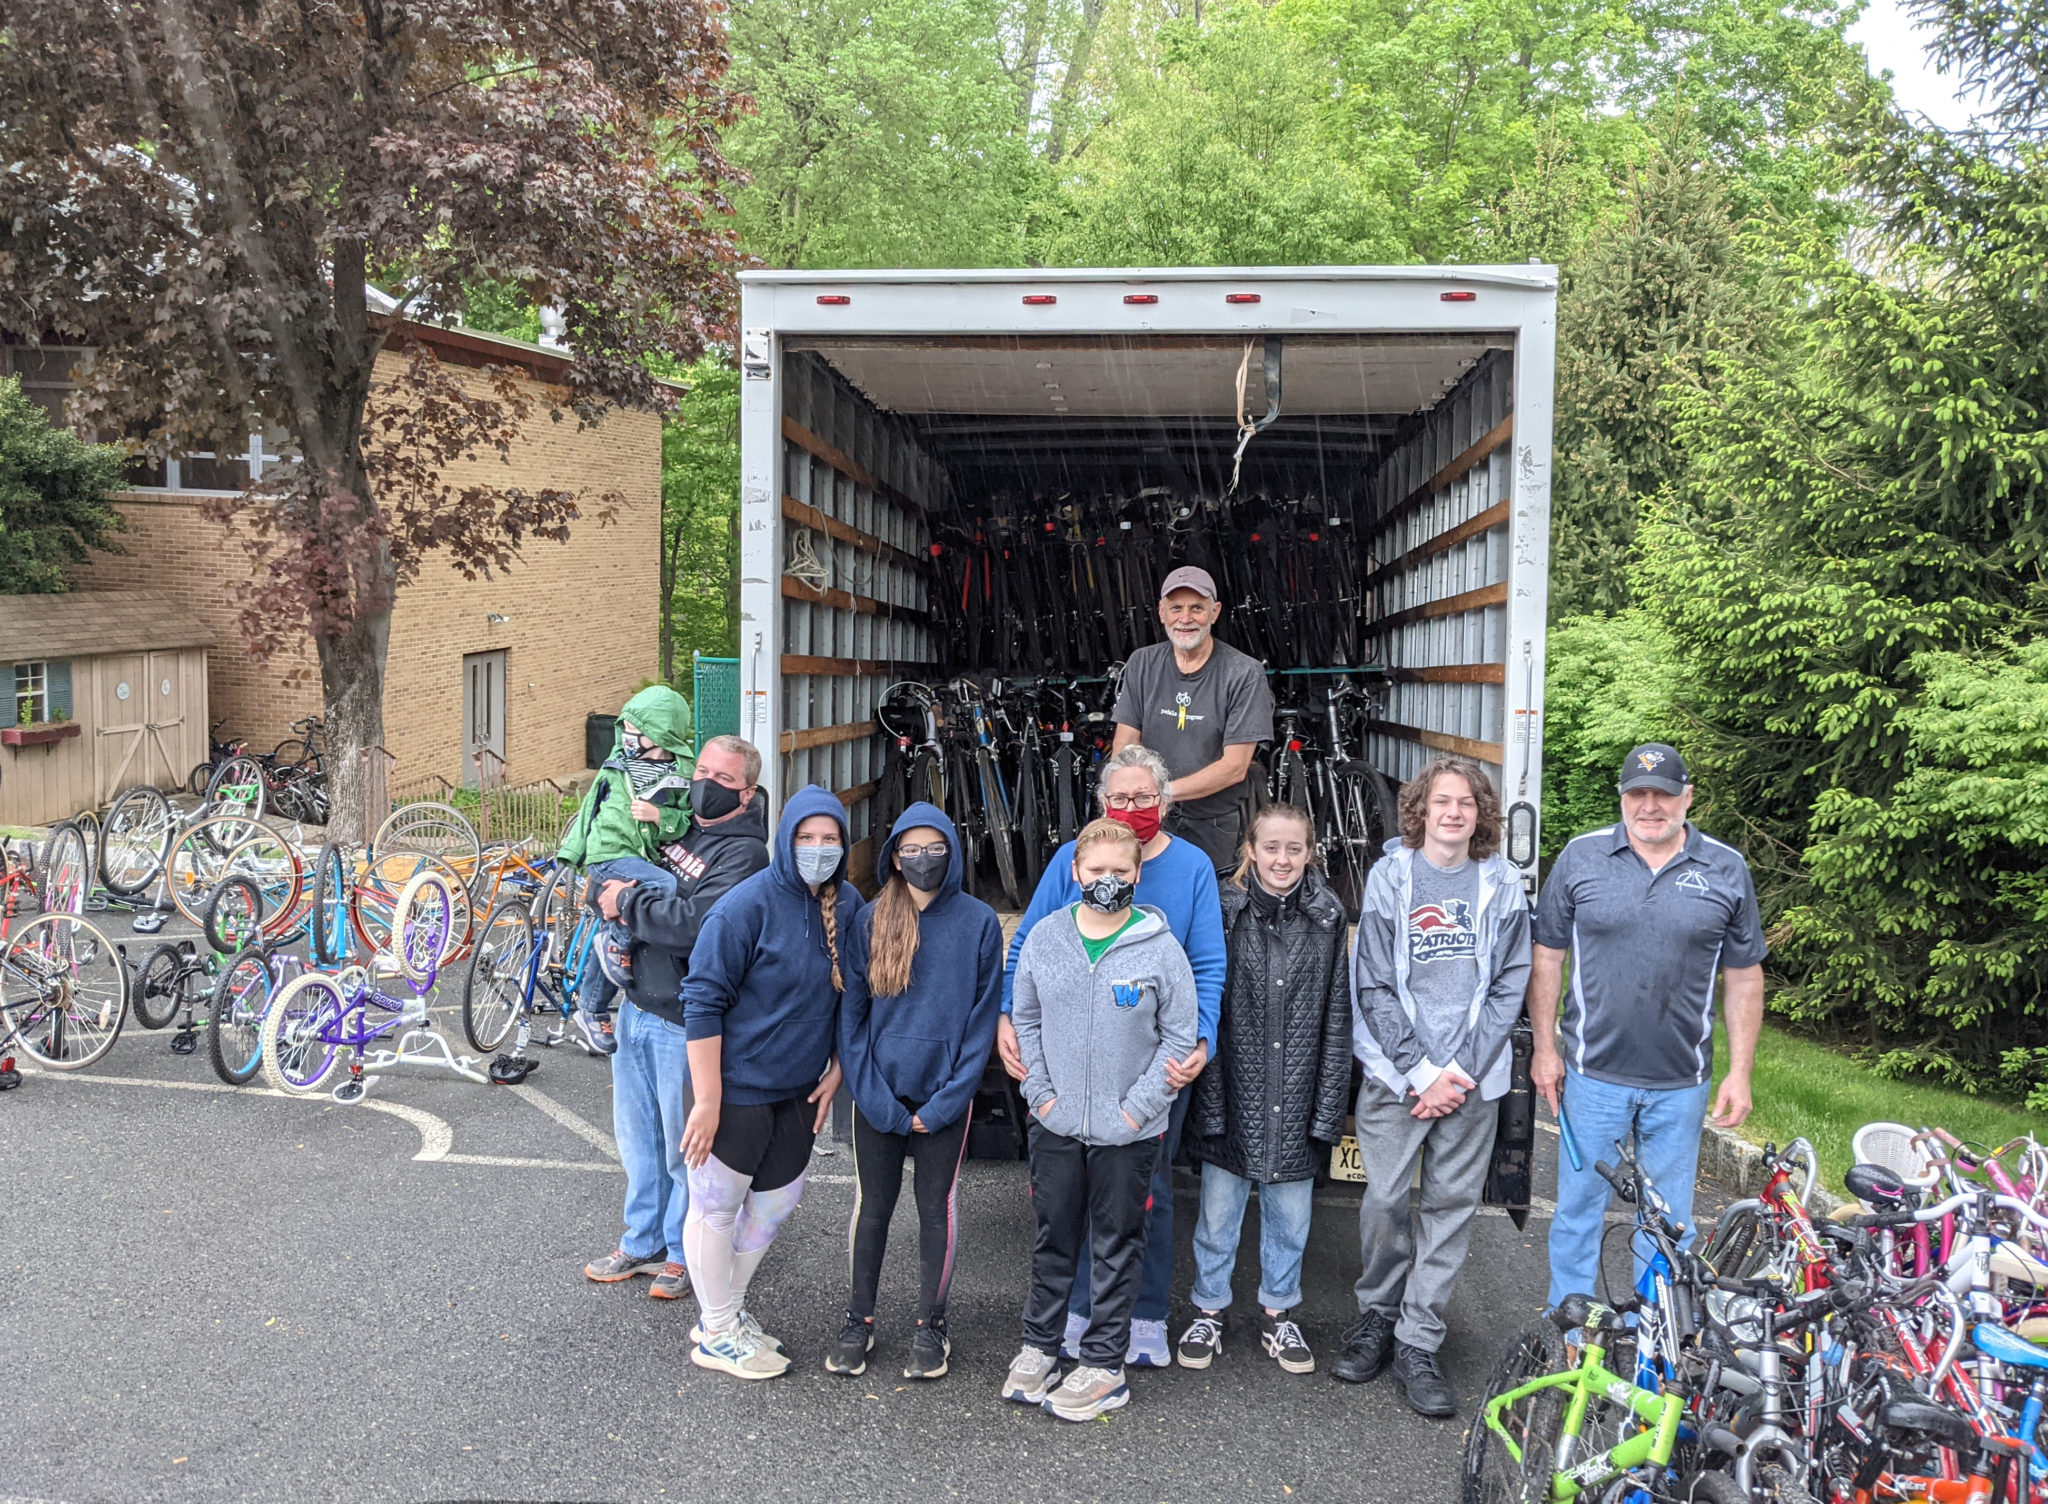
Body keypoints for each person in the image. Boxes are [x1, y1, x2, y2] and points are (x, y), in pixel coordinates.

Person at [997, 744, 1225, 1368]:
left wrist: (1199, 1041)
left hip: (1151, 1066)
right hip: (1072, 1064)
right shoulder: (1071, 863)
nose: (1131, 808)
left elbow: (1206, 964)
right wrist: (1006, 1018)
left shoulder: (1193, 868)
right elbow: (1027, 947)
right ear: (1101, 804)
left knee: (1145, 1191)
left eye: (1144, 798)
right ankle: (1077, 1313)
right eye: (1119, 798)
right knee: (1071, 1199)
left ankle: (1145, 1314)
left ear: (1164, 803)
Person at [1530, 744, 1765, 1309]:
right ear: (1622, 796)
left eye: (1663, 794)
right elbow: (1547, 958)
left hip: (1681, 1083)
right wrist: (1545, 1048)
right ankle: (1573, 1328)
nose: (1650, 806)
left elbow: (1744, 978)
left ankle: (1652, 1343)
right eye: (1638, 793)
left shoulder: (1726, 867)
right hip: (1592, 1077)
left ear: (1688, 798)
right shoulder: (1582, 857)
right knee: (1578, 1211)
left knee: (1665, 1222)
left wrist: (1740, 1073)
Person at [1335, 756, 1532, 1419]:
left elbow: (1510, 984)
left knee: (1448, 1206)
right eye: (1442, 801)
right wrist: (1422, 1071)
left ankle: (1418, 1341)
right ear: (1420, 809)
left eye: (1467, 803)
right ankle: (1377, 1319)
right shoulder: (1391, 876)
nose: (1454, 812)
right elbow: (1373, 983)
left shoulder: (1502, 883)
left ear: (1481, 816)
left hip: (1472, 1078)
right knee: (1385, 1199)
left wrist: (1461, 1073)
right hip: (1400, 1073)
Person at [677, 784, 861, 1379]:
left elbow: (849, 994)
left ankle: (723, 1312)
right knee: (716, 1209)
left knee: (776, 1203)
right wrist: (707, 1100)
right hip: (733, 1090)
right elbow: (701, 1001)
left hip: (799, 1089)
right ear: (785, 840)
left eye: (828, 839)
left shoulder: (849, 904)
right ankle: (717, 1330)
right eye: (805, 838)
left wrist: (838, 1066)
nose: (817, 848)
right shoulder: (744, 907)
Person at [580, 735, 770, 1301]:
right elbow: (607, 874)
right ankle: (640, 1241)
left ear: (747, 791)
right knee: (636, 1140)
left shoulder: (745, 854)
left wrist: (626, 904)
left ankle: (683, 1252)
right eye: (703, 771)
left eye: (724, 779)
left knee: (679, 1147)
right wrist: (609, 895)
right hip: (636, 1004)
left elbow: (696, 923)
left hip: (683, 1020)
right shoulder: (676, 825)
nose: (707, 783)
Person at [828, 802, 1004, 1382]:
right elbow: (851, 1021)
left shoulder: (979, 923)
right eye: (912, 850)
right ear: (894, 857)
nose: (923, 860)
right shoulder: (872, 919)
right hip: (877, 1093)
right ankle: (859, 1319)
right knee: (872, 1208)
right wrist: (873, 1097)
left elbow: (981, 1025)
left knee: (937, 1209)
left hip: (944, 1100)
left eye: (935, 850)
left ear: (951, 854)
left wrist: (947, 1102)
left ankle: (933, 1325)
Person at [1178, 802, 1353, 1376]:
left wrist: (1327, 1112)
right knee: (1217, 1215)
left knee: (1291, 1217)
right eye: (1270, 848)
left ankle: (1279, 1313)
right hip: (1230, 1087)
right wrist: (1207, 1100)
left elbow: (1336, 1018)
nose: (1282, 859)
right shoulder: (1224, 912)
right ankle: (1209, 1308)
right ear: (1249, 850)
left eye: (1294, 849)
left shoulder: (1328, 918)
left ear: (1310, 853)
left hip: (1298, 1090)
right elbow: (1206, 1006)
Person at [556, 685, 697, 1054]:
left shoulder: (682, 773)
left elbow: (686, 819)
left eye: (639, 729)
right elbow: (589, 810)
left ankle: (591, 1009)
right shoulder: (616, 765)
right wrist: (572, 854)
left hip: (639, 860)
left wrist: (660, 817)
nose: (629, 736)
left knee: (615, 932)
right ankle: (616, 942)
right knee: (664, 886)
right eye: (628, 728)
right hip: (608, 855)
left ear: (663, 734)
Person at [1110, 565, 1275, 876]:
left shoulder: (1243, 673)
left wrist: (1162, 793)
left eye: (1197, 608)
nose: (1185, 619)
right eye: (1176, 608)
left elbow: (1235, 767)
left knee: (1211, 911)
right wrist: (1128, 799)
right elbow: (1125, 743)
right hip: (1149, 818)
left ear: (1215, 612)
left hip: (1213, 822)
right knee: (1144, 903)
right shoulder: (1142, 663)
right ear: (1161, 612)